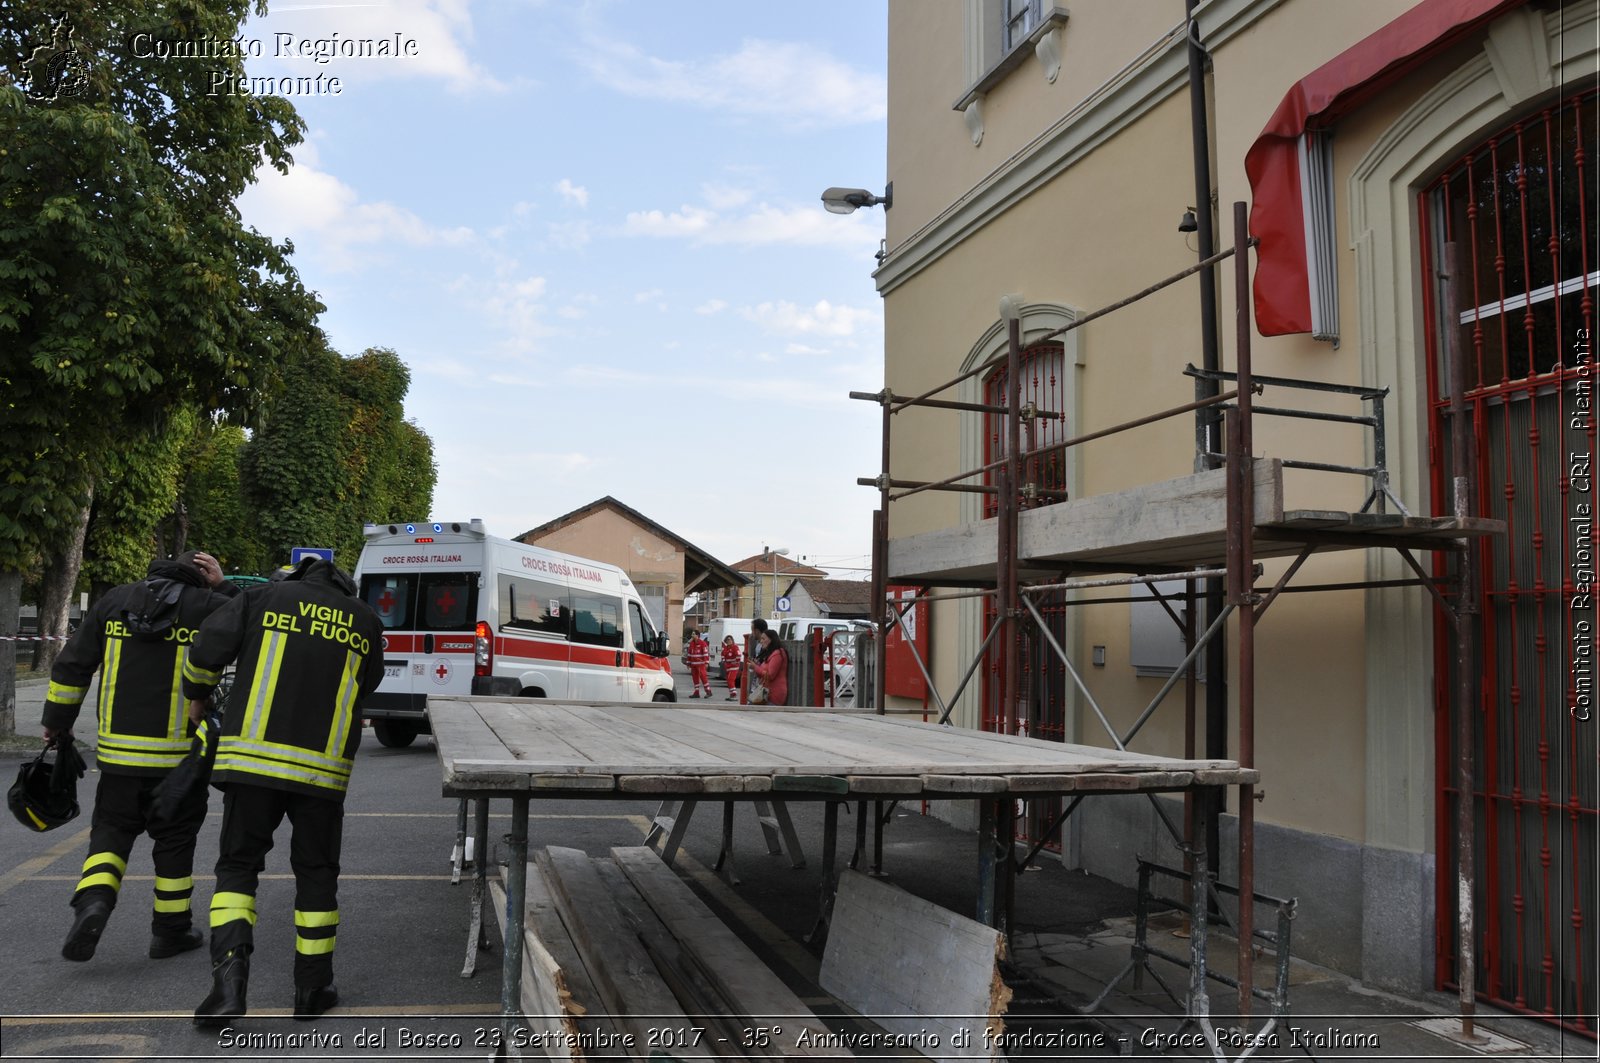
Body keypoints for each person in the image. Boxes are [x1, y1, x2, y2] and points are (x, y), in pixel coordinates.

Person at [179, 556, 385, 1028]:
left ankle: (227, 988)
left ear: (295, 576)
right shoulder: (364, 620)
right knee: (317, 873)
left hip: (251, 765)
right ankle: (312, 989)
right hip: (321, 773)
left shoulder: (261, 598)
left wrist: (198, 698)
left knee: (237, 869)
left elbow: (204, 650)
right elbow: (367, 683)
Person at [41, 550, 236, 963]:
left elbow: (72, 666)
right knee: (175, 841)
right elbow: (247, 619)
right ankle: (171, 931)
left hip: (119, 756)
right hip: (181, 758)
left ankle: (93, 902)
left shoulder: (114, 602)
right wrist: (223, 585)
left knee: (111, 833)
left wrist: (57, 722)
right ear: (199, 578)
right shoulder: (207, 604)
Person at [749, 629, 790, 706]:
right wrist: (757, 666)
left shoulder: (777, 654)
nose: (761, 641)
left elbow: (770, 675)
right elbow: (762, 673)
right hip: (765, 693)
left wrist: (755, 667)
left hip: (774, 694)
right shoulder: (770, 654)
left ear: (771, 640)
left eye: (763, 639)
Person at [684, 627, 712, 699]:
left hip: (700, 664)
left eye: (693, 634)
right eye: (692, 634)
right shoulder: (692, 644)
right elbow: (689, 654)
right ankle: (696, 693)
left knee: (703, 677)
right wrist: (688, 663)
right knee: (695, 678)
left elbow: (705, 653)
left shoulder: (702, 643)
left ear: (697, 635)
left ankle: (708, 691)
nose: (692, 635)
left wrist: (706, 663)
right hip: (694, 665)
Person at [719, 635, 743, 701]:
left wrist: (735, 662)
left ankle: (734, 694)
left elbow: (738, 655)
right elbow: (723, 655)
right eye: (727, 640)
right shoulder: (726, 648)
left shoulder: (735, 647)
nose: (728, 641)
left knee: (730, 680)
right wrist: (724, 662)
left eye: (730, 639)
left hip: (734, 667)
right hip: (728, 667)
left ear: (732, 640)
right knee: (728, 680)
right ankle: (731, 694)